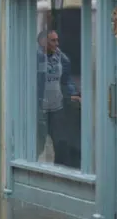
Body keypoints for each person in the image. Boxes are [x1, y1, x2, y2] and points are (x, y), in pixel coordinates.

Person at [36, 29, 81, 168]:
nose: (57, 43)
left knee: (60, 142)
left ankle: (59, 172)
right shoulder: (36, 57)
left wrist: (74, 94)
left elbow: (66, 80)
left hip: (57, 107)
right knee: (38, 143)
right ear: (43, 42)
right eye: (53, 40)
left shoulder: (62, 58)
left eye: (57, 40)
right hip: (40, 108)